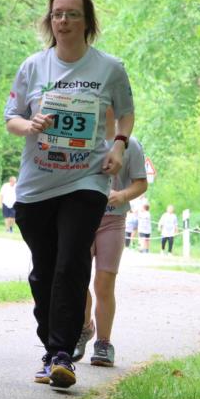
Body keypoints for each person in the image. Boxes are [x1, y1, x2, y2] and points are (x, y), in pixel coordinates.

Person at [3, 0, 135, 388]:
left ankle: (62, 353)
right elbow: (12, 118)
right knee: (44, 272)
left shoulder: (109, 68)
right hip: (38, 184)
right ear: (50, 20)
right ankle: (50, 349)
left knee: (72, 263)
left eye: (72, 14)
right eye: (57, 14)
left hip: (87, 180)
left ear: (87, 22)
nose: (63, 21)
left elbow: (126, 115)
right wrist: (31, 124)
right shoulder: (33, 67)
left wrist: (118, 144)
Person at [74, 137, 148, 366]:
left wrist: (123, 195)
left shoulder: (130, 145)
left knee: (104, 284)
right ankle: (85, 328)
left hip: (113, 221)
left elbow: (141, 183)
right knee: (76, 280)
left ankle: (104, 344)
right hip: (79, 219)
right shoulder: (82, 136)